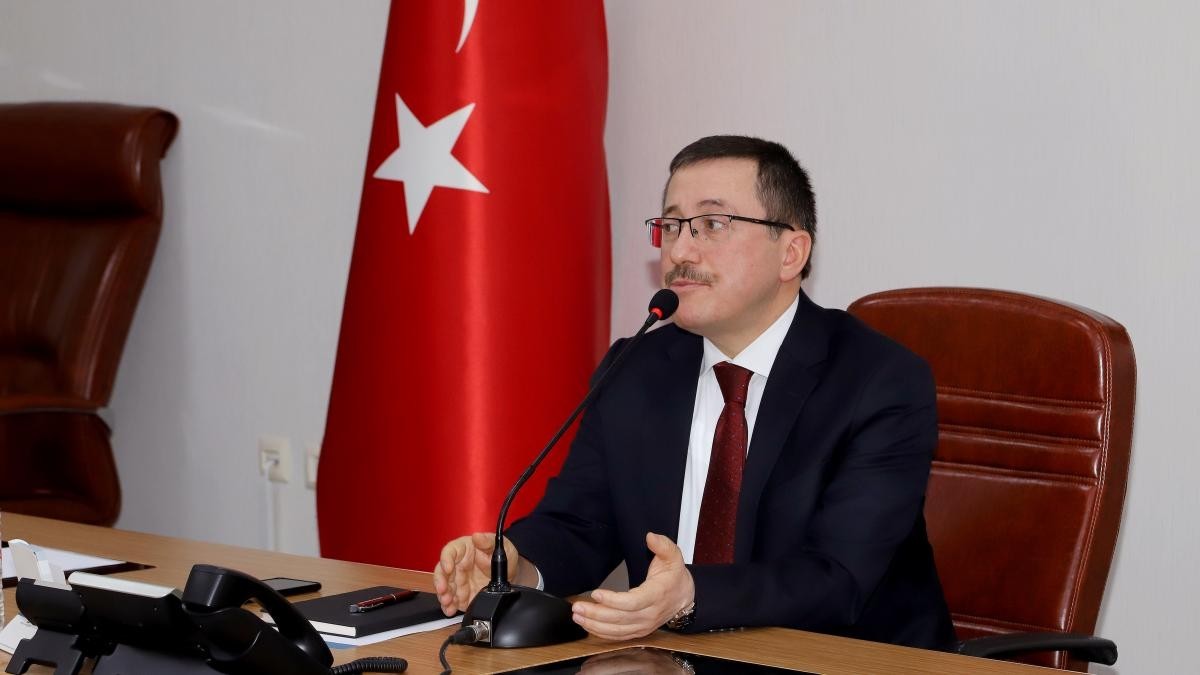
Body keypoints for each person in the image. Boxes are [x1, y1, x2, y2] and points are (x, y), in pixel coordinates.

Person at [433, 135, 955, 650]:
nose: (680, 251)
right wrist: (517, 565)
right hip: (669, 661)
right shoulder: (635, 368)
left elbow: (838, 579)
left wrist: (692, 595)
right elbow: (582, 524)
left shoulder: (878, 381)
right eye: (671, 225)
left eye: (712, 224)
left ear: (791, 253)